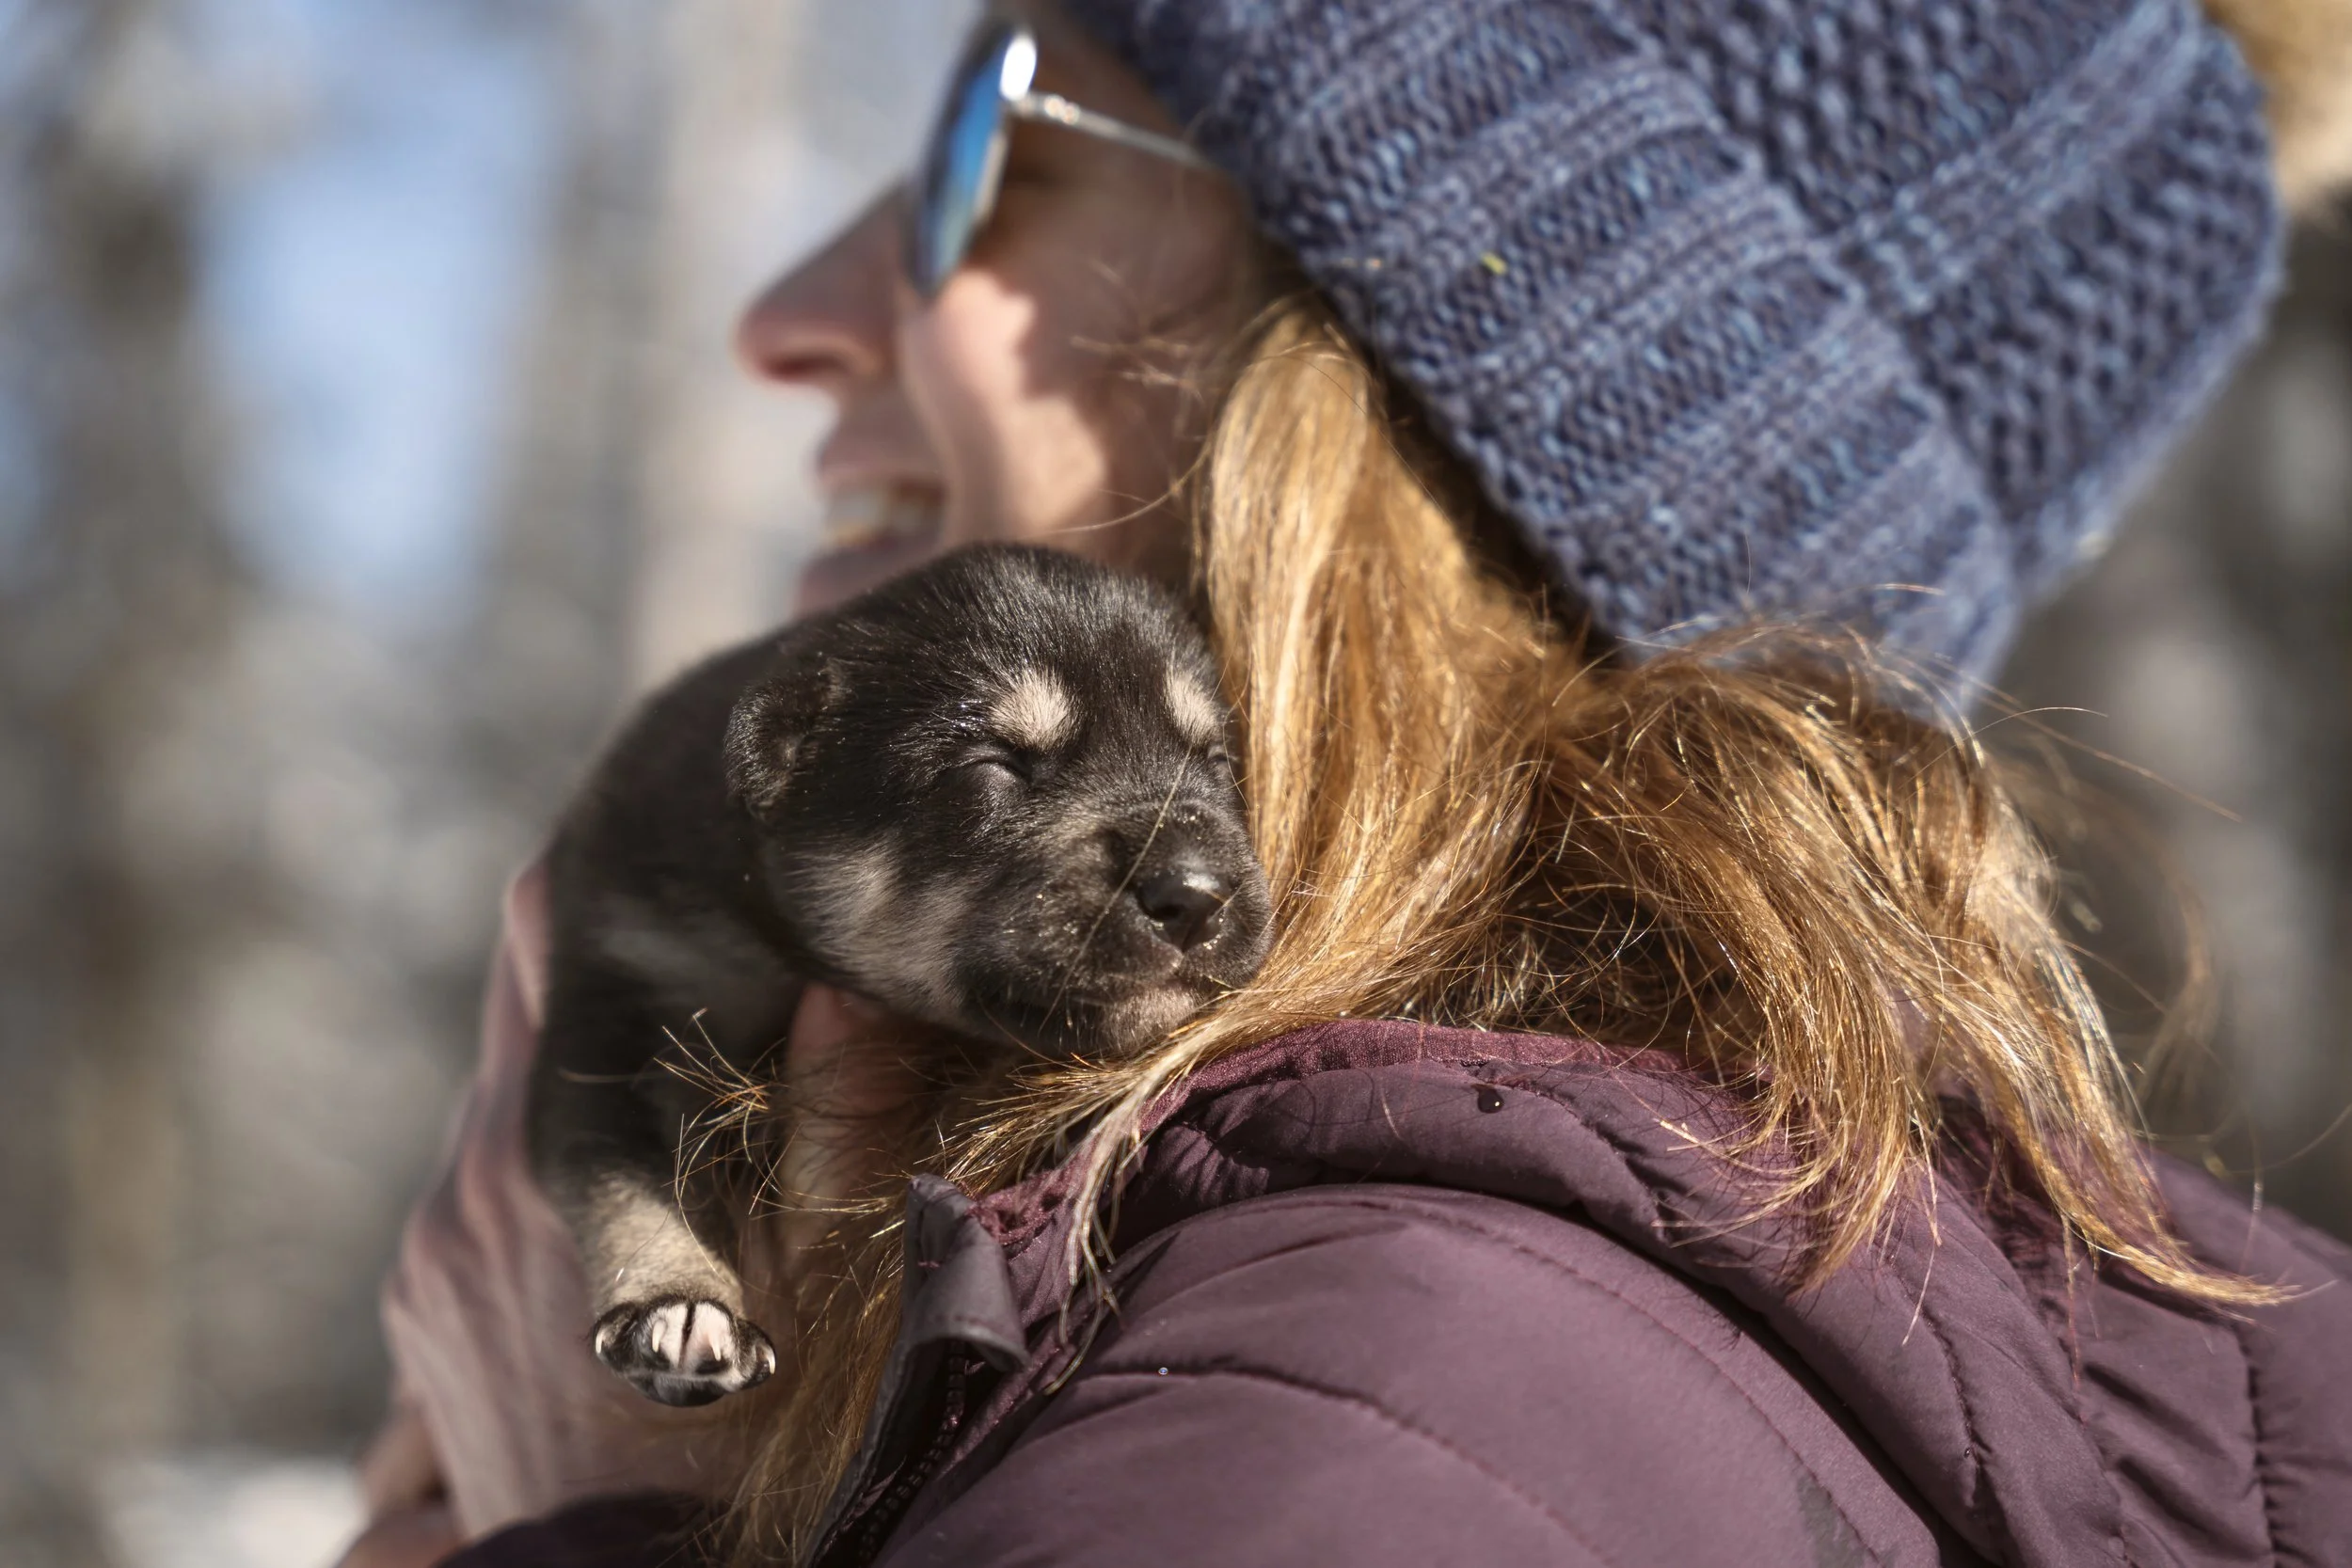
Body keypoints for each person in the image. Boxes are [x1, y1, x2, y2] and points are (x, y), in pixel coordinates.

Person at [342, 2, 2352, 1564]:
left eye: (995, 122)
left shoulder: (1375, 1393)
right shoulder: (1533, 1324)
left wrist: (600, 1516)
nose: (784, 313)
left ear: (1392, 371)